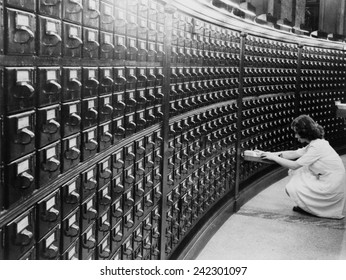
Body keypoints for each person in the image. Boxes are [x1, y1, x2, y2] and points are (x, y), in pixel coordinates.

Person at [259, 114, 346, 219]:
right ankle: (307, 206)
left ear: (304, 133)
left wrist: (274, 157)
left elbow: (295, 165)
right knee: (299, 171)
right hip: (330, 181)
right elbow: (293, 153)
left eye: (297, 133)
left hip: (331, 187)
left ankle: (309, 208)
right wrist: (267, 153)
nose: (295, 136)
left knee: (292, 185)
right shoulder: (316, 143)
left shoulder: (317, 147)